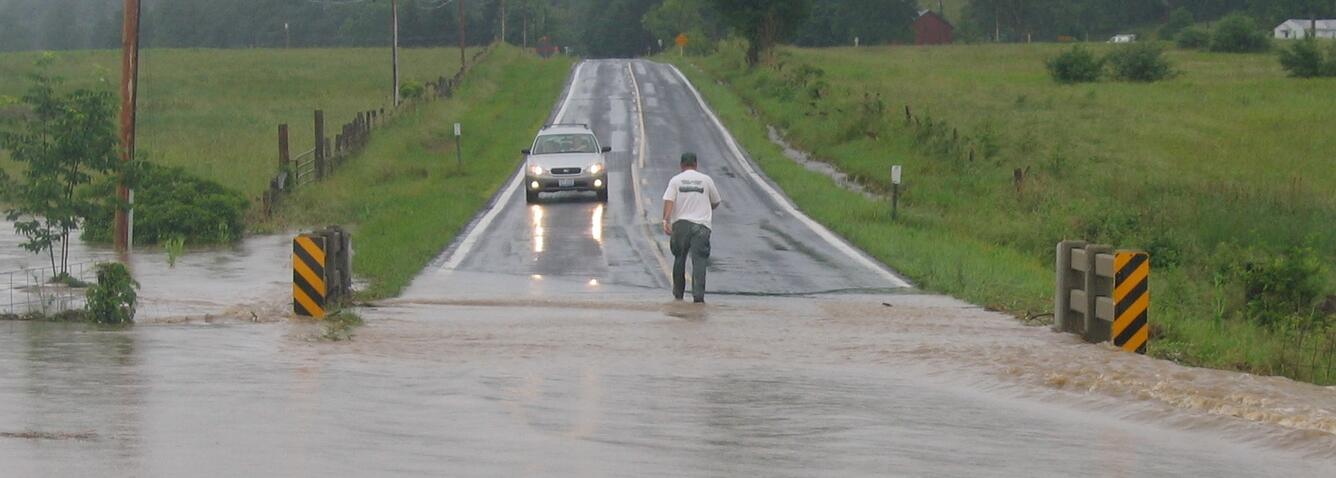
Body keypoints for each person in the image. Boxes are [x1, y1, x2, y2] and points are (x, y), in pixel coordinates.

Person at [661, 152, 722, 303]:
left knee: (679, 258)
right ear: (696, 164)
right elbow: (716, 201)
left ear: (681, 165)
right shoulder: (706, 180)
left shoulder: (675, 181)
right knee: (699, 260)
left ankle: (678, 294)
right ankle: (698, 297)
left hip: (681, 225)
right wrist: (707, 206)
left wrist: (666, 220)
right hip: (701, 226)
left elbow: (669, 201)